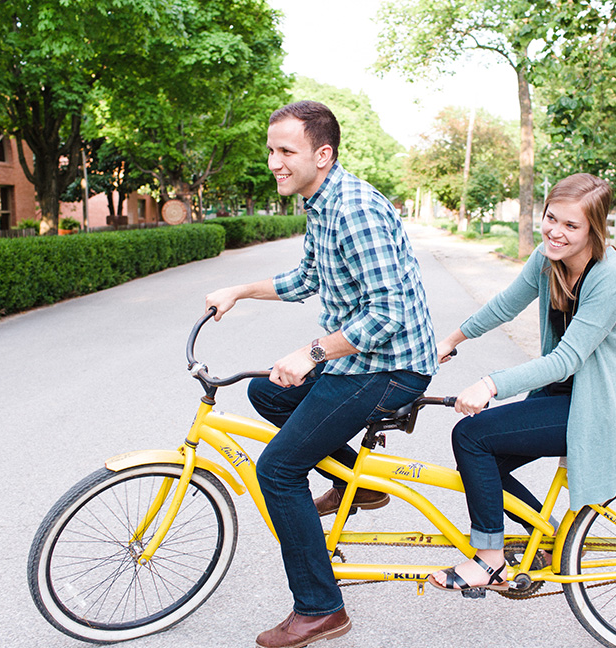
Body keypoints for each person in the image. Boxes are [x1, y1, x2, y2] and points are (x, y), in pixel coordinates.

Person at [205, 100, 438, 647]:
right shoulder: (321, 204)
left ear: (322, 154)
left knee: (278, 470)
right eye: (271, 150)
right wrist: (240, 289)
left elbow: (390, 315)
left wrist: (311, 352)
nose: (275, 163)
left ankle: (320, 607)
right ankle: (355, 484)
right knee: (267, 391)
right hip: (360, 359)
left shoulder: (353, 209)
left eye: (287, 151)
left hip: (391, 367)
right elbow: (308, 277)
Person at [427, 172, 616, 592]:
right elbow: (505, 306)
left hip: (596, 406)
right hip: (562, 397)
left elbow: (566, 360)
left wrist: (490, 384)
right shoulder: (548, 259)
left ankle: (489, 561)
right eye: (551, 218)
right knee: (478, 464)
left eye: (571, 225)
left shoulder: (611, 277)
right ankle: (545, 539)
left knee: (473, 437)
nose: (556, 232)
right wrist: (450, 341)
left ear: (594, 230)